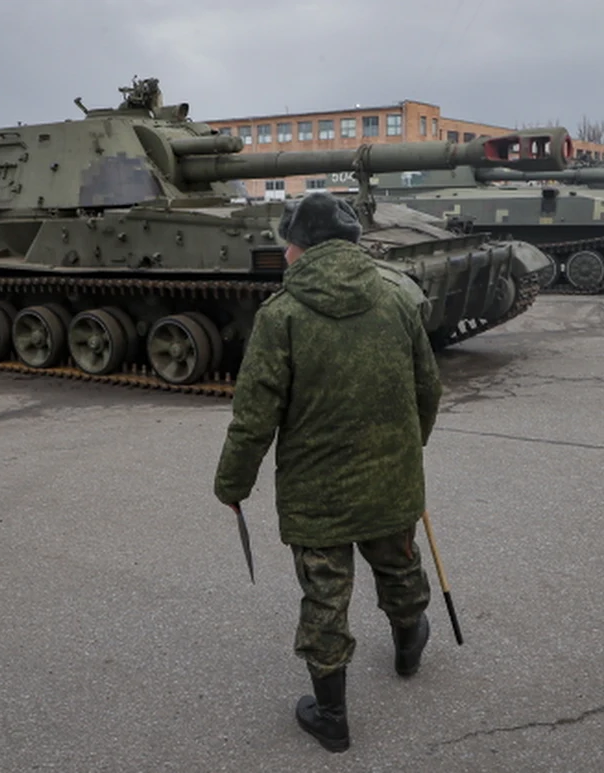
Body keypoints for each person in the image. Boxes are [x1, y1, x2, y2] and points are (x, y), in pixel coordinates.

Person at [213, 191, 443, 753]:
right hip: (392, 476)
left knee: (325, 595)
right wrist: (409, 449)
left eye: (288, 242)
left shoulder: (282, 315)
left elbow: (254, 416)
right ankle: (410, 646)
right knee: (398, 562)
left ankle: (332, 715)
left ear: (301, 246)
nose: (285, 254)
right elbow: (428, 388)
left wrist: (232, 484)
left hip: (317, 493)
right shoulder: (397, 297)